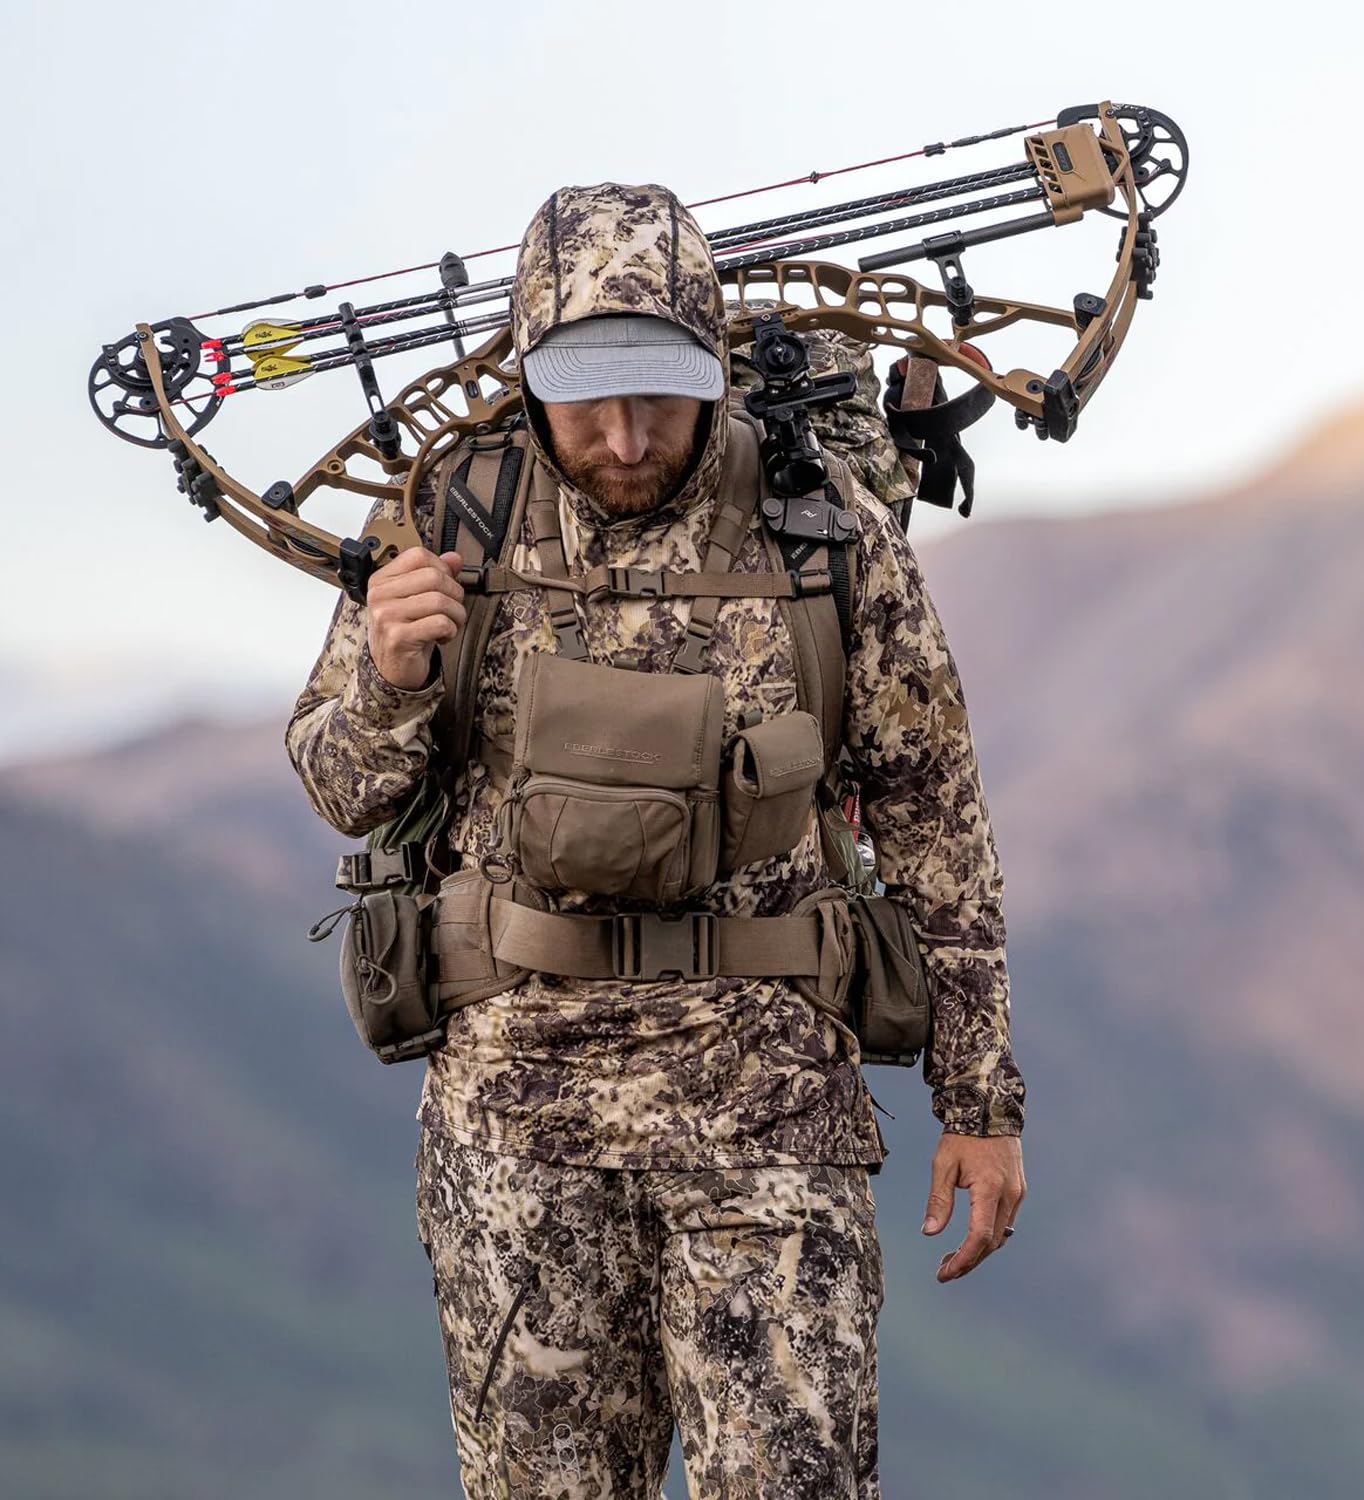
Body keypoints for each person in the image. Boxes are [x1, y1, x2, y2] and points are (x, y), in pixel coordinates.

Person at [286, 181, 1026, 1500]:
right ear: (529, 378)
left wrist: (978, 1103)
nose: (626, 439)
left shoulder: (822, 531)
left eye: (661, 399)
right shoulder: (452, 520)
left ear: (713, 370)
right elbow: (343, 788)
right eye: (588, 403)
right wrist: (388, 682)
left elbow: (936, 820)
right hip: (516, 1134)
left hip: (772, 1119)